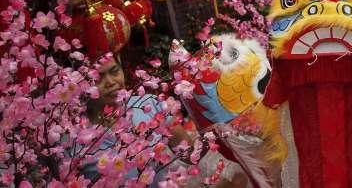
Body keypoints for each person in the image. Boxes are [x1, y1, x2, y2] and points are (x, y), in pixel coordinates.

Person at [84, 57, 249, 188]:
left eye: (114, 71)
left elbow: (189, 153)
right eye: (98, 78)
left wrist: (216, 130)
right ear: (83, 82)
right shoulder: (72, 141)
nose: (111, 81)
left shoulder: (147, 104)